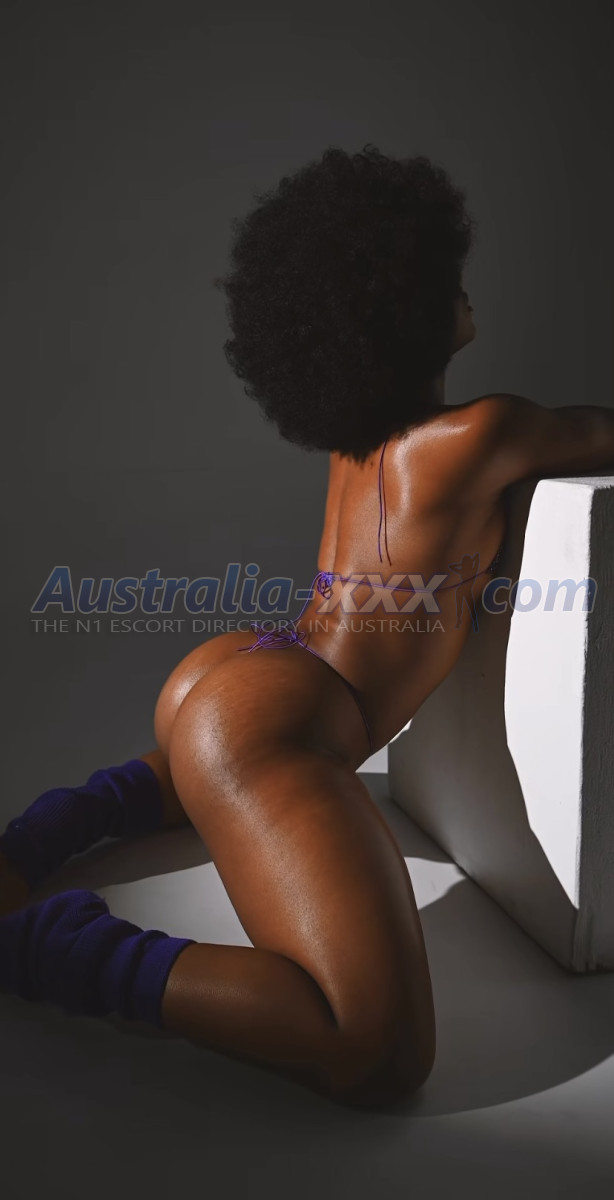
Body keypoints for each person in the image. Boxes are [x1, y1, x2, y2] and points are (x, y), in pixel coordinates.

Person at [3, 145, 614, 1111]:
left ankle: (32, 842)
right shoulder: (480, 436)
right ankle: (42, 949)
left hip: (241, 673)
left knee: (200, 777)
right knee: (372, 1046)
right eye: (444, 276)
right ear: (400, 306)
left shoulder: (353, 440)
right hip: (280, 712)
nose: (465, 291)